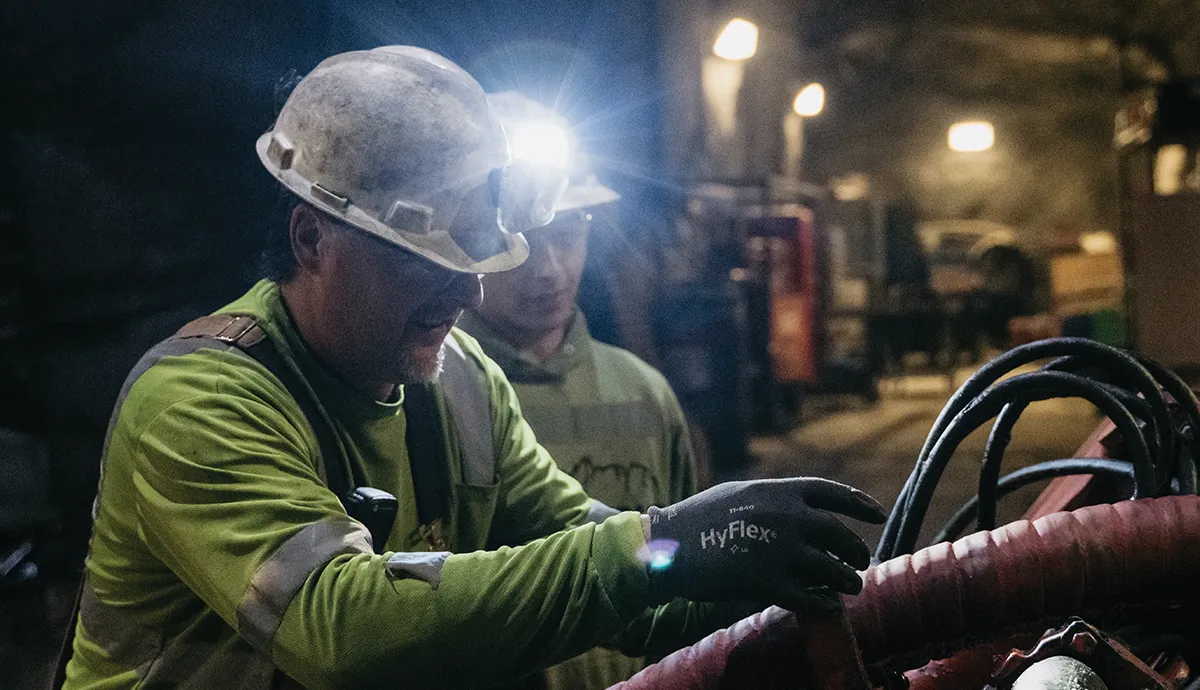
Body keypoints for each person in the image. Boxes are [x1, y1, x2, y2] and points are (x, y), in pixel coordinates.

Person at [62, 46, 886, 689]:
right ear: (313, 239)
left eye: (477, 252)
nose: (472, 288)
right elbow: (342, 632)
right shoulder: (198, 400)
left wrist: (780, 579)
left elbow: (607, 559)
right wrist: (665, 535)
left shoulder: (459, 383)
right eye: (422, 258)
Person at [457, 91, 695, 689]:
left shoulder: (646, 392)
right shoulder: (430, 392)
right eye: (521, 239)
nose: (549, 269)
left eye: (566, 233)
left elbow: (686, 582)